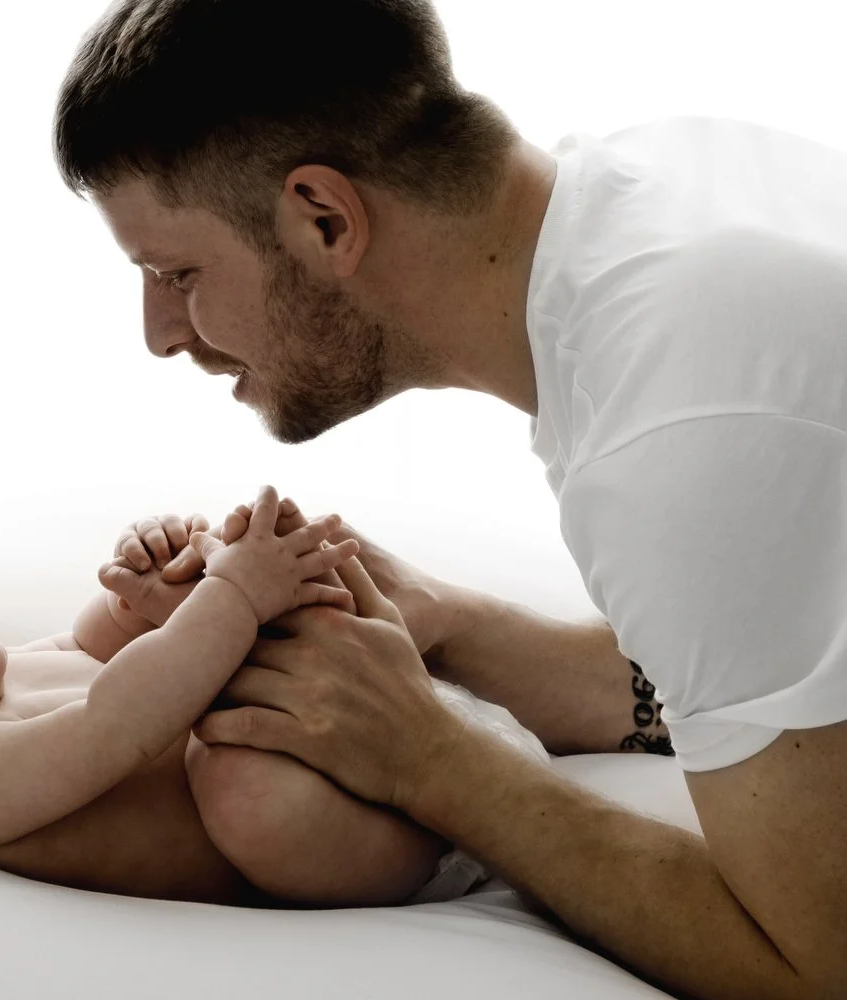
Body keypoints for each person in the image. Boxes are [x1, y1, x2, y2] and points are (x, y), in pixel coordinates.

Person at [55, 1, 847, 997]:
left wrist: (438, 762)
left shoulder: (672, 420)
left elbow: (814, 963)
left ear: (325, 219)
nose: (159, 332)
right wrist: (454, 623)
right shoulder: (655, 211)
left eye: (176, 272)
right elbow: (784, 678)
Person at [0, 490, 550, 907]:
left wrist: (153, 573)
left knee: (233, 691)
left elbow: (105, 645)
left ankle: (438, 701)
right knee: (238, 780)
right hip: (344, 836)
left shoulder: (5, 674)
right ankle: (455, 819)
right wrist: (230, 600)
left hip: (371, 754)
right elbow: (118, 719)